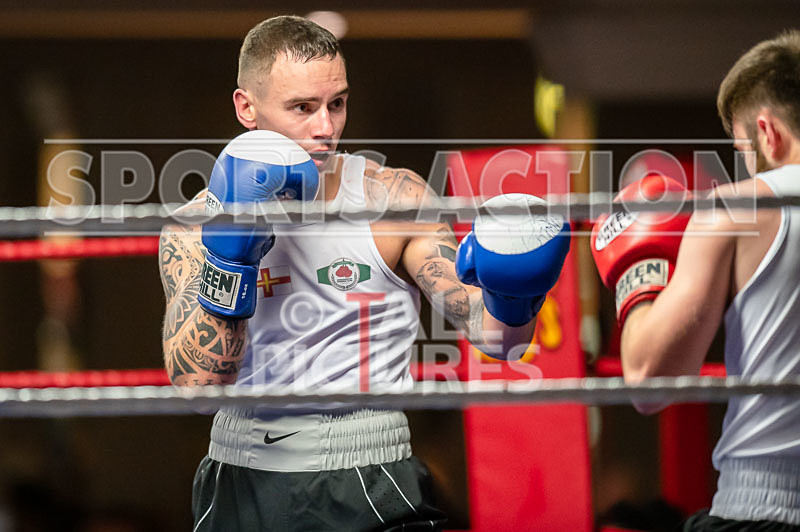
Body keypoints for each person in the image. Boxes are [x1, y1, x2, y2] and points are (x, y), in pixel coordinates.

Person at [158, 16, 569, 531]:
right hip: (240, 474)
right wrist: (230, 255)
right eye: (302, 108)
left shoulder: (393, 200)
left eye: (337, 103)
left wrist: (515, 288)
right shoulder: (195, 226)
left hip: (366, 470)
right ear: (247, 107)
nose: (325, 127)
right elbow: (198, 384)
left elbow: (497, 339)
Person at [592, 30, 800, 530]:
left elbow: (649, 381)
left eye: (743, 148)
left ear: (767, 133)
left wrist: (636, 280)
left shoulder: (737, 209)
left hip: (764, 504)